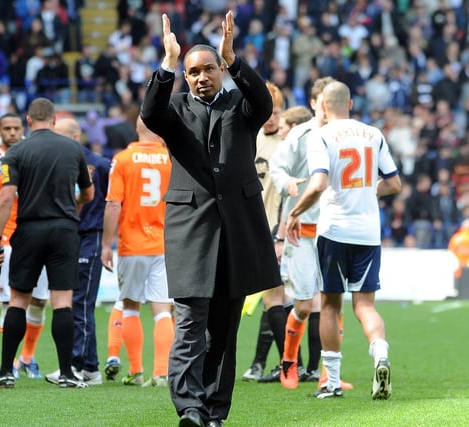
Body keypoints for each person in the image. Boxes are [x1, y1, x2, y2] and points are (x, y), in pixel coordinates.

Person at [141, 12, 281, 427]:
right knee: (188, 325)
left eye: (208, 69)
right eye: (192, 72)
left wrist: (234, 57)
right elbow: (149, 113)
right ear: (184, 77)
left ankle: (215, 412)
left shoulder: (242, 106)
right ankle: (189, 408)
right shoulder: (174, 109)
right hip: (190, 233)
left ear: (221, 71)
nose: (201, 77)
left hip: (237, 234)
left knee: (223, 330)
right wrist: (167, 63)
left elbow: (266, 102)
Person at [285, 81, 401, 399]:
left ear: (322, 107)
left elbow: (319, 182)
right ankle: (379, 354)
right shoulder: (373, 134)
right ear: (349, 104)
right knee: (364, 306)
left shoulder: (320, 135)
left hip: (335, 230)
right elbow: (395, 184)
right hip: (368, 232)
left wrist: (295, 212)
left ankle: (332, 383)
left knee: (331, 306)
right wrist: (370, 190)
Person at [0, 98, 94, 389]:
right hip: (64, 230)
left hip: (29, 230)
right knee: (62, 302)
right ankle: (68, 374)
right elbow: (89, 193)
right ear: (54, 121)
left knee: (19, 300)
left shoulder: (17, 151)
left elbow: (6, 197)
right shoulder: (74, 148)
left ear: (29, 122)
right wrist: (74, 205)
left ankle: (7, 371)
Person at [272, 78, 352, 390]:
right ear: (315, 103)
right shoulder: (301, 134)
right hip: (302, 232)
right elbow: (277, 169)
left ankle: (328, 375)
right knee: (304, 306)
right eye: (322, 101)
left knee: (333, 303)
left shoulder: (346, 136)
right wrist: (287, 183)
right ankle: (288, 361)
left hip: (334, 231)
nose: (328, 106)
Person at [0, 112, 49, 379]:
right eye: (7, 128)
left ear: (24, 128)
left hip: (34, 234)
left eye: (16, 128)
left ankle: (27, 358)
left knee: (40, 301)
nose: (13, 133)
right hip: (6, 238)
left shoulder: (33, 154)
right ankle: (13, 361)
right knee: (11, 302)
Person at [101, 117, 175, 388]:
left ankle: (136, 371)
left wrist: (106, 244)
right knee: (163, 310)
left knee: (130, 305)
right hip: (164, 243)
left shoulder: (122, 159)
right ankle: (162, 373)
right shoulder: (171, 159)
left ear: (137, 128)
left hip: (133, 244)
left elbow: (112, 205)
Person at [44, 117, 111, 386]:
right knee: (78, 302)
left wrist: (108, 240)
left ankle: (77, 365)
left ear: (73, 137)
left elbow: (113, 202)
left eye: (58, 136)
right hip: (69, 235)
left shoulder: (101, 165)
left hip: (89, 236)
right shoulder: (62, 161)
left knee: (81, 302)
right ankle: (90, 367)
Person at [241, 81, 289, 384]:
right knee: (269, 296)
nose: (271, 117)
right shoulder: (251, 138)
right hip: (251, 226)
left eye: (277, 111)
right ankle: (271, 363)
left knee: (274, 295)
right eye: (267, 111)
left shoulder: (288, 143)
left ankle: (283, 363)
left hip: (276, 228)